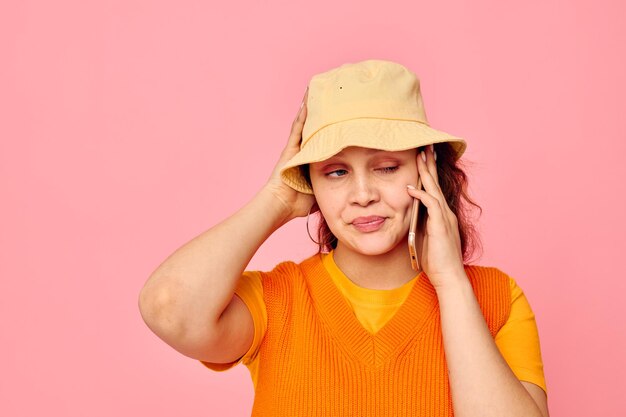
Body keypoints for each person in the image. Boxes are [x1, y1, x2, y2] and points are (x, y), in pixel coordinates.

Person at [139, 59, 549, 416]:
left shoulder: (497, 298)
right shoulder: (277, 300)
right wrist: (278, 197)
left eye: (386, 167)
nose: (363, 194)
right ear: (311, 184)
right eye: (336, 172)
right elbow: (167, 308)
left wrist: (450, 282)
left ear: (427, 167)